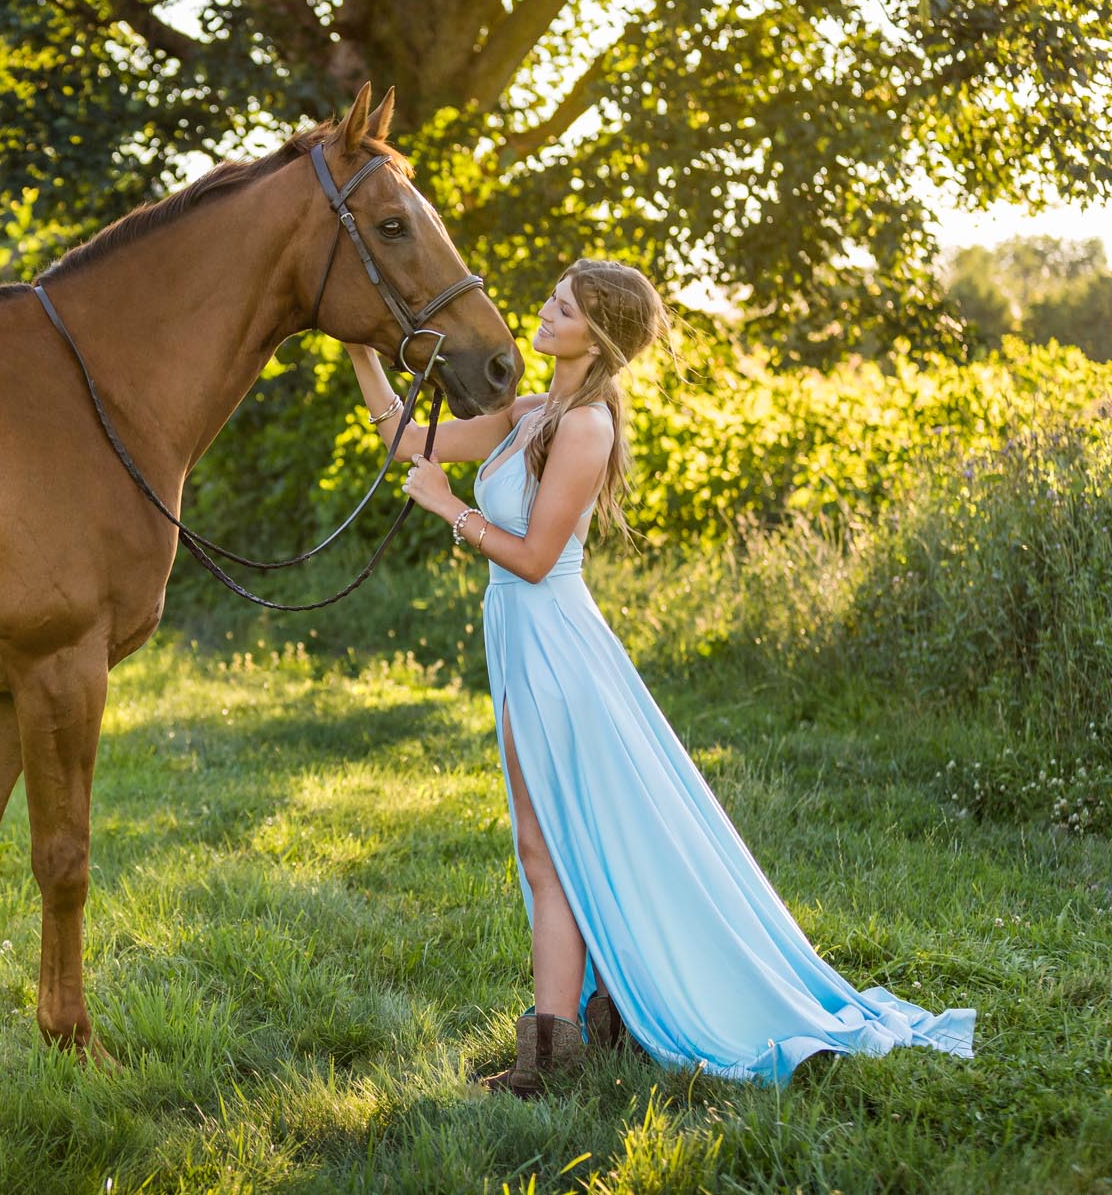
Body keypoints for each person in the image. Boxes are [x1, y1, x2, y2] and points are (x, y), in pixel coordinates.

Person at [344, 259, 975, 1095]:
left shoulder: (586, 428)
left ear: (594, 335)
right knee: (551, 844)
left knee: (549, 846)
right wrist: (360, 347)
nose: (542, 311)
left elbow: (535, 559)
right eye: (551, 299)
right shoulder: (532, 411)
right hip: (523, 639)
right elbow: (406, 438)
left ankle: (552, 1054)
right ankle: (587, 1027)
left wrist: (448, 508)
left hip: (556, 646)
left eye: (561, 307)